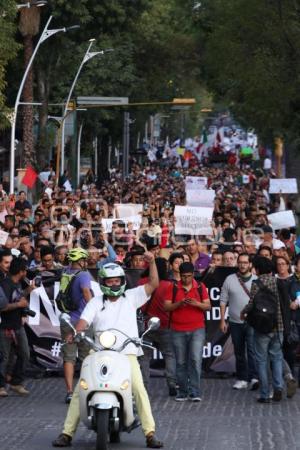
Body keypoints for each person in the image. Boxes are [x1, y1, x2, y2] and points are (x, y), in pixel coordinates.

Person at [52, 254, 163, 449]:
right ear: (103, 282)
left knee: (138, 388)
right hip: (99, 351)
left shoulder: (131, 297)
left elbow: (154, 283)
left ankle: (150, 433)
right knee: (81, 389)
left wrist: (152, 262)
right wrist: (75, 332)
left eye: (117, 281)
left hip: (127, 352)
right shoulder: (95, 302)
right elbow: (84, 320)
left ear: (122, 281)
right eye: (110, 281)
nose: (113, 284)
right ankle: (66, 433)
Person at [242, 256, 291, 403]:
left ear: (257, 269)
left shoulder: (257, 283)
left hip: (262, 327)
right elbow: (285, 305)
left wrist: (243, 312)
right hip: (279, 326)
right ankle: (278, 387)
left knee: (262, 361)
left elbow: (251, 304)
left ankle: (264, 393)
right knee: (276, 358)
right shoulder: (278, 282)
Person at [164, 262, 211, 402]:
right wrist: (179, 304)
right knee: (181, 361)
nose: (186, 279)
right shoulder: (172, 287)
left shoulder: (200, 287)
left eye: (189, 276)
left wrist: (196, 304)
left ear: (193, 274)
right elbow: (166, 307)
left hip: (197, 328)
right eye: (183, 276)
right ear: (180, 275)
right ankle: (183, 391)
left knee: (196, 359)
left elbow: (208, 306)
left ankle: (195, 391)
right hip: (177, 329)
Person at [220, 253, 258, 390]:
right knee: (239, 351)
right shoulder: (230, 279)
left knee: (252, 351)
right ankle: (242, 378)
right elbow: (223, 300)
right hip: (235, 322)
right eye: (240, 262)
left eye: (245, 262)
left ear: (250, 264)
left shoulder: (256, 280)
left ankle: (254, 377)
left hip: (252, 323)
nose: (242, 265)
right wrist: (222, 320)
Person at [60, 248, 94, 404]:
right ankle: (89, 389)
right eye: (85, 260)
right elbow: (86, 293)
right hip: (83, 320)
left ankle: (68, 392)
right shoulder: (84, 275)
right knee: (87, 356)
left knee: (69, 356)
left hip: (67, 320)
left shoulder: (66, 272)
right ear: (80, 260)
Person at [0, 258, 34, 396]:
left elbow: (17, 297)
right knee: (4, 358)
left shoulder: (18, 284)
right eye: (25, 270)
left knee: (25, 354)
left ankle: (16, 382)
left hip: (17, 326)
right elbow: (2, 307)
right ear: (21, 271)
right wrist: (19, 305)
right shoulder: (5, 285)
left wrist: (27, 291)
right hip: (5, 327)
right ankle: (1, 386)